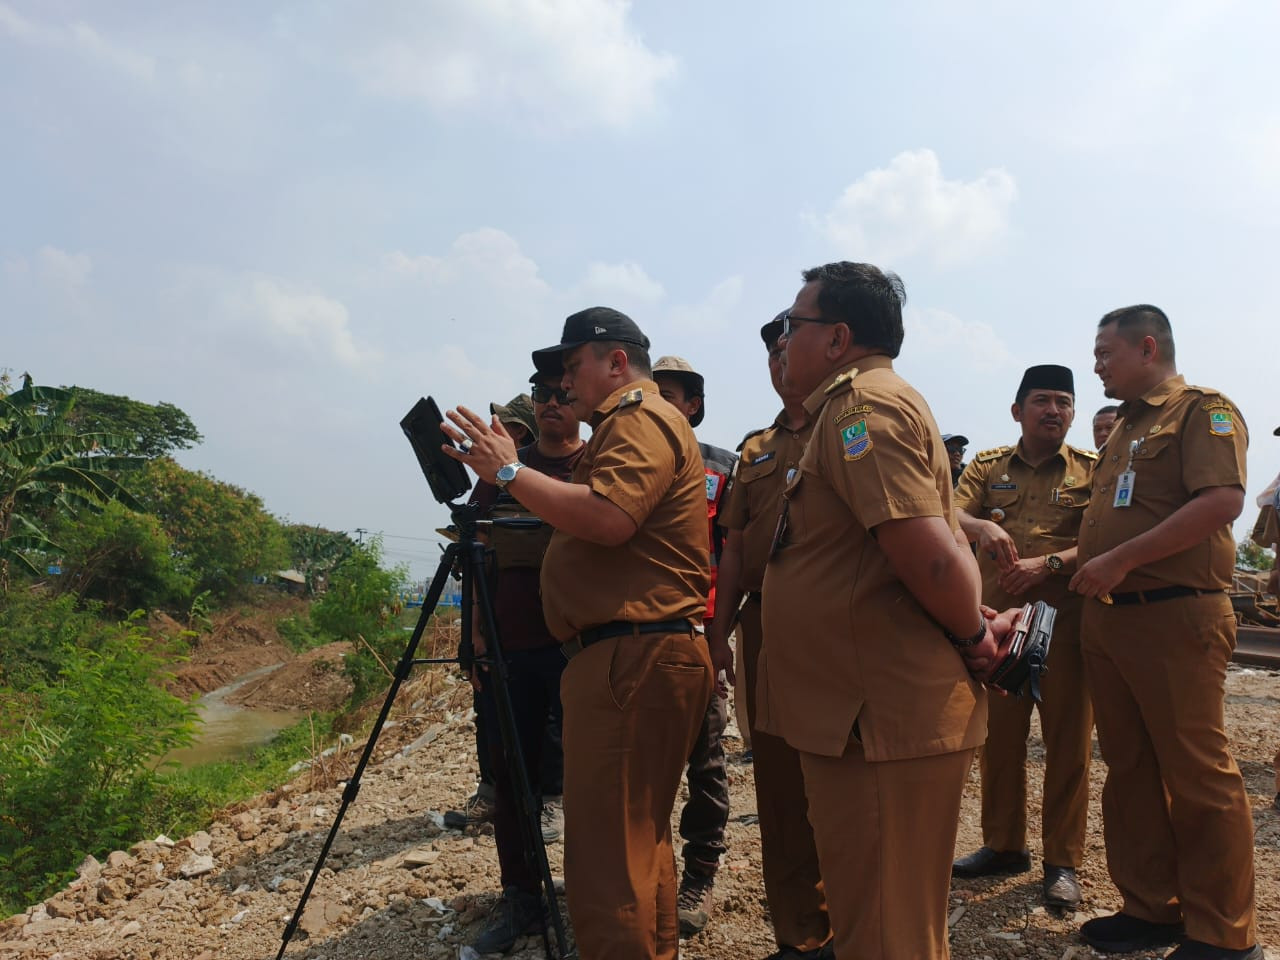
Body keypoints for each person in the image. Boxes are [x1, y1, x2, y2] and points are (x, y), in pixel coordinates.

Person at [757, 261, 1012, 960]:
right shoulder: (853, 408)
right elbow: (913, 547)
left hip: (878, 721)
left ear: (837, 338)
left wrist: (973, 636)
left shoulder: (860, 410)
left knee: (887, 931)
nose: (783, 340)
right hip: (861, 716)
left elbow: (928, 555)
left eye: (793, 325)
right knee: (881, 917)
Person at [441, 306, 713, 960]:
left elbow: (610, 518)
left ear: (615, 361)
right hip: (634, 654)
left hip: (632, 656)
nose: (562, 385)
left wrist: (508, 472)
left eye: (572, 366)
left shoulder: (638, 418)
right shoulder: (631, 423)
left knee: (606, 855)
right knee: (635, 840)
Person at [1069, 305, 1261, 960]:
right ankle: (1152, 908)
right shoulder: (1124, 427)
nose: (1096, 364)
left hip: (1177, 614)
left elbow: (1222, 502)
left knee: (1198, 774)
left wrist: (1121, 558)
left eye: (1105, 352)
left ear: (1147, 348)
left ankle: (1225, 934)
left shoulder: (1201, 410)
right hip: (1114, 620)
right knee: (1130, 770)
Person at [708, 313, 833, 960]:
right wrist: (718, 634)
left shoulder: (852, 425)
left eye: (792, 348)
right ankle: (801, 936)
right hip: (766, 623)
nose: (782, 363)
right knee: (781, 792)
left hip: (841, 625)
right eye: (773, 355)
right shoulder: (755, 449)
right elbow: (731, 551)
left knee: (842, 786)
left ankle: (859, 926)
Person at [950, 364, 1096, 909]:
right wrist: (982, 526)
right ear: (1018, 411)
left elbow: (1106, 538)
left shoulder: (1092, 470)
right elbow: (945, 512)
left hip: (1067, 630)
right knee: (1000, 743)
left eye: (1063, 401)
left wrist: (1048, 564)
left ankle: (1063, 861)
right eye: (1041, 400)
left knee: (1068, 746)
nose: (1053, 410)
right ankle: (1004, 846)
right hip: (999, 630)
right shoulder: (987, 467)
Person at [467, 370, 585, 954]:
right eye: (541, 396)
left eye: (563, 395)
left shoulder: (596, 464)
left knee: (589, 779)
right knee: (512, 776)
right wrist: (476, 638)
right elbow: (477, 555)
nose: (550, 406)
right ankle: (521, 896)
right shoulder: (501, 469)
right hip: (511, 644)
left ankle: (591, 901)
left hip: (581, 648)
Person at [650, 354, 736, 938]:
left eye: (670, 395)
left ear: (693, 406)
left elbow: (737, 555)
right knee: (637, 764)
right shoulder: (617, 456)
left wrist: (723, 631)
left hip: (698, 634)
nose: (657, 403)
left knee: (704, 761)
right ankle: (642, 877)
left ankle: (699, 872)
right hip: (633, 636)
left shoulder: (724, 468)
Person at [448, 390, 544, 832]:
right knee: (487, 705)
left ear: (521, 432)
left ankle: (548, 797)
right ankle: (493, 793)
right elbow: (479, 547)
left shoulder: (540, 476)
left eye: (502, 425)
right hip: (494, 611)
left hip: (543, 621)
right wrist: (475, 629)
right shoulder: (489, 481)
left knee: (548, 717)